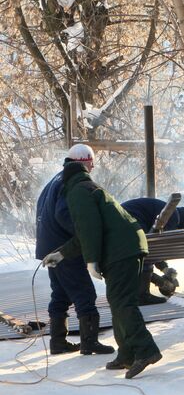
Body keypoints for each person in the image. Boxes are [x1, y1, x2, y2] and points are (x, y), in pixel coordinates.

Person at [42, 159, 162, 379]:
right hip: (126, 247)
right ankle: (126, 354)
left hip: (122, 251)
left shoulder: (77, 192)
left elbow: (89, 230)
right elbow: (84, 234)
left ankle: (146, 350)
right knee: (117, 302)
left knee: (123, 302)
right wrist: (60, 254)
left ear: (66, 179)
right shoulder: (89, 187)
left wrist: (91, 261)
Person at [35, 144, 114, 356]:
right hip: (63, 248)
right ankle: (90, 343)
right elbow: (64, 214)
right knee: (84, 292)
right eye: (91, 165)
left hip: (49, 246)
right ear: (85, 162)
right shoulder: (69, 183)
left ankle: (58, 342)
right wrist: (83, 235)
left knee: (60, 293)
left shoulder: (56, 179)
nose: (92, 169)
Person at [121, 197, 184, 305]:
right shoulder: (174, 217)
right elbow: (156, 246)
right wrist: (163, 268)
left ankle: (132, 293)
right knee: (146, 249)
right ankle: (142, 295)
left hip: (121, 218)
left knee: (136, 254)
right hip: (131, 218)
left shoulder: (170, 212)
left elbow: (154, 239)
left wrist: (164, 268)